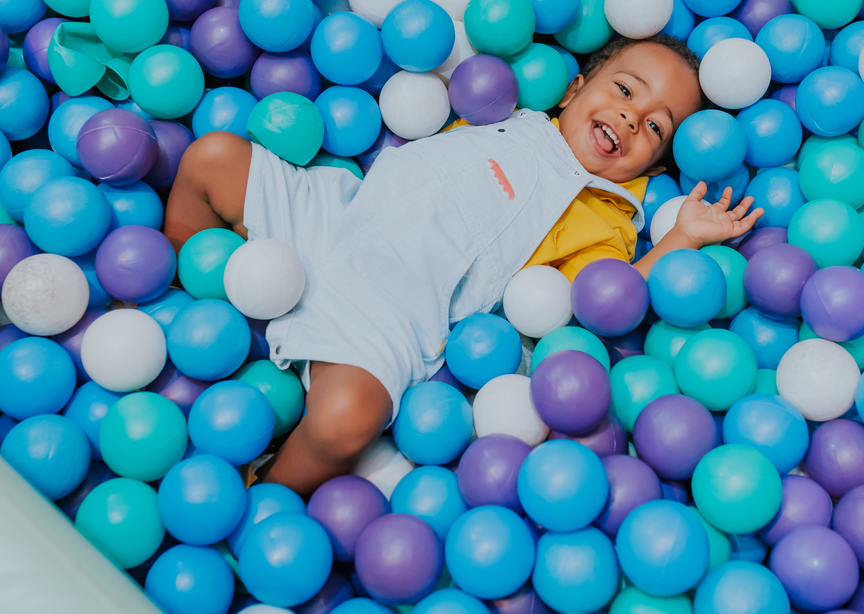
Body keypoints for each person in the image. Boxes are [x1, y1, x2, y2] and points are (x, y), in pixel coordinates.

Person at [164, 34, 764, 495]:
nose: (633, 118)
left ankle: (268, 494)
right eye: (626, 91)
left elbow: (606, 294)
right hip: (337, 215)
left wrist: (679, 239)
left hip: (391, 311)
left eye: (655, 127)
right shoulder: (513, 112)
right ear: (572, 88)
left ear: (654, 167)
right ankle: (165, 307)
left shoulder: (605, 213)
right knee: (213, 156)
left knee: (346, 420)